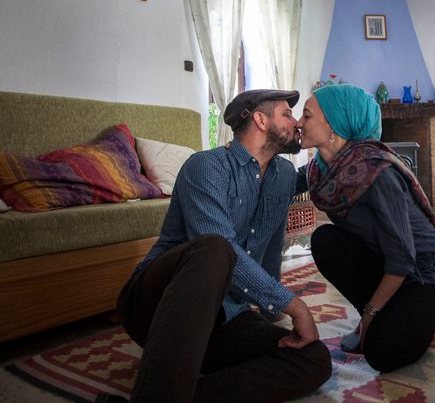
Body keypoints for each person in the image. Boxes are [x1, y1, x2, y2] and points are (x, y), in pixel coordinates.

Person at [103, 89, 332, 403]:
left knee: (313, 357)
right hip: (157, 307)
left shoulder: (283, 175)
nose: (296, 123)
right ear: (261, 120)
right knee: (215, 248)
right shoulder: (206, 166)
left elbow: (271, 248)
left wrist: (270, 311)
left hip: (225, 318)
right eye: (287, 114)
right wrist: (293, 305)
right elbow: (222, 249)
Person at [296, 84, 435, 373]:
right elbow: (281, 179)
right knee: (325, 240)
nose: (298, 123)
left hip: (422, 274)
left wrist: (369, 318)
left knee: (381, 354)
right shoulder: (320, 169)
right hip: (384, 263)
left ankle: (414, 317)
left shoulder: (376, 171)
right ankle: (389, 314)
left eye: (306, 116)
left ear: (334, 125)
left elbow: (402, 259)